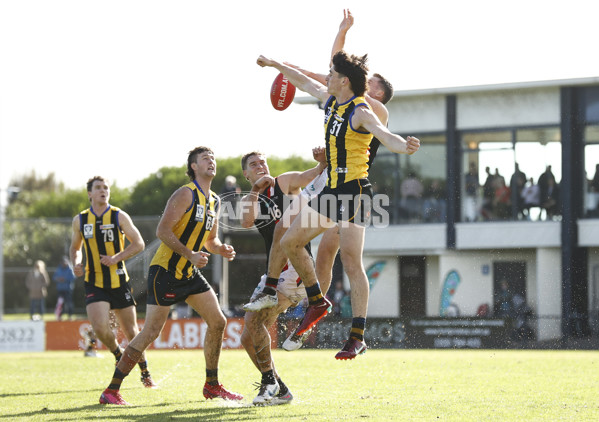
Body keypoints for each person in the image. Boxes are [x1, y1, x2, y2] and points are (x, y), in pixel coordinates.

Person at [247, 9, 398, 356]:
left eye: (371, 82)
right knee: (290, 232)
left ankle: (344, 328)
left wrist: (305, 66)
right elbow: (330, 70)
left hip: (353, 188)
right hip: (329, 181)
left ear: (376, 92)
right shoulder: (343, 99)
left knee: (343, 255)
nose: (367, 82)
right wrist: (340, 34)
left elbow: (333, 71)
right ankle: (285, 293)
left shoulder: (373, 109)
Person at [99, 147, 242, 405]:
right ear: (194, 167)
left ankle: (212, 385)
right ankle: (112, 390)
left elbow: (210, 240)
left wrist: (220, 248)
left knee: (218, 322)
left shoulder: (215, 201)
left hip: (188, 272)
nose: (211, 162)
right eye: (205, 159)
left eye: (213, 158)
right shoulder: (185, 193)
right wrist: (189, 254)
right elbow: (162, 230)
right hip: (164, 271)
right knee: (151, 331)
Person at [239, 148, 326, 405]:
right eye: (254, 165)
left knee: (255, 325)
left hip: (293, 270)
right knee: (247, 337)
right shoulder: (252, 197)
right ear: (246, 174)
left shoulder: (283, 183)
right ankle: (279, 387)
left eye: (263, 162)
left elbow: (310, 175)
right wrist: (255, 191)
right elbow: (245, 223)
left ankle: (270, 385)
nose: (260, 166)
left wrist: (321, 162)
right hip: (274, 273)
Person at [70, 176, 156, 386]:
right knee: (99, 328)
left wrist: (116, 258)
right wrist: (77, 263)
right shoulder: (80, 220)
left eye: (106, 187)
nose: (103, 191)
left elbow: (139, 243)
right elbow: (75, 248)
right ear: (89, 194)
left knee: (132, 331)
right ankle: (119, 355)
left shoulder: (118, 216)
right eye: (98, 188)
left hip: (119, 281)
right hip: (94, 281)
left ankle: (145, 372)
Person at [53, 256, 76, 320]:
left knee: (69, 303)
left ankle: (70, 316)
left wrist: (65, 279)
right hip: (60, 289)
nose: (63, 264)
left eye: (65, 262)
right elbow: (54, 277)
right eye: (62, 262)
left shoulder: (70, 269)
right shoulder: (58, 269)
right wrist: (58, 279)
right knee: (60, 303)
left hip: (68, 289)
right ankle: (60, 316)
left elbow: (73, 277)